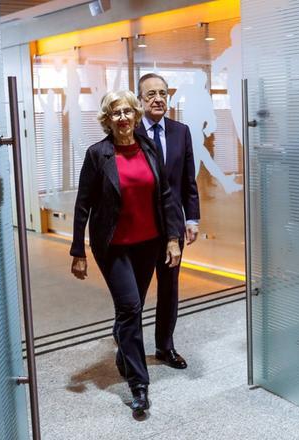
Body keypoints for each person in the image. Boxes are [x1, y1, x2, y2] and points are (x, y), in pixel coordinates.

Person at [69, 90, 183, 416]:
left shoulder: (148, 149)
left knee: (131, 311)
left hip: (149, 244)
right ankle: (139, 385)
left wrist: (172, 238)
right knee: (131, 306)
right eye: (115, 113)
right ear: (108, 119)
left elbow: (165, 196)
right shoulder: (97, 154)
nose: (122, 118)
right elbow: (83, 205)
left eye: (127, 112)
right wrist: (78, 250)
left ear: (135, 115)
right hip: (114, 246)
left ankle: (122, 342)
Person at [135, 73, 200, 369]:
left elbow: (188, 180)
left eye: (162, 93)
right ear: (140, 100)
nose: (158, 99)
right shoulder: (129, 132)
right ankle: (128, 345)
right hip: (139, 226)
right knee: (135, 290)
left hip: (172, 224)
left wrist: (192, 217)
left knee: (169, 288)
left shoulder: (180, 131)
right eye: (150, 94)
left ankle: (165, 346)